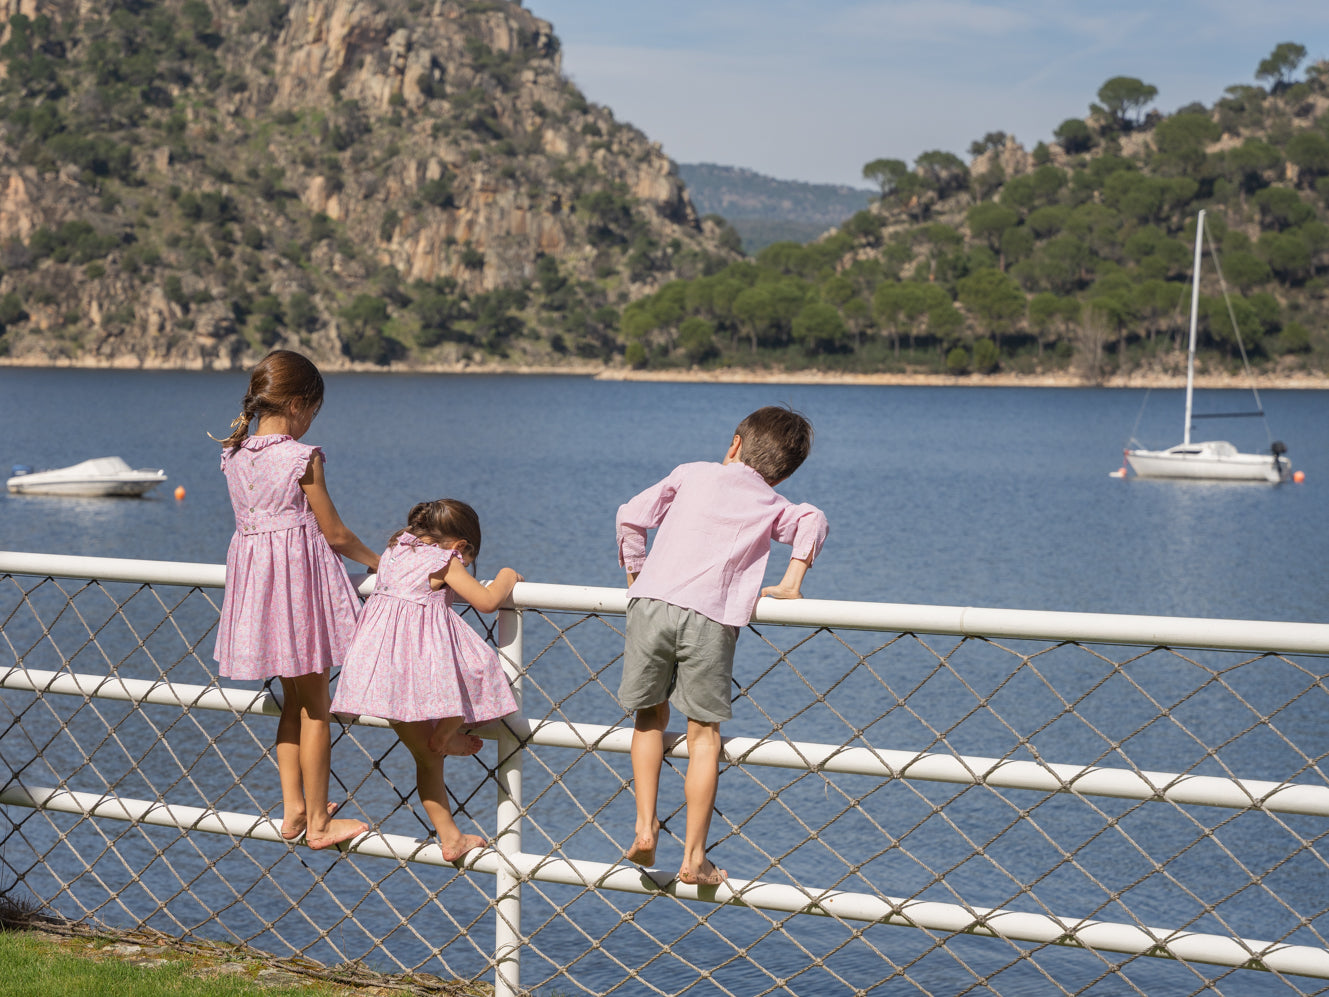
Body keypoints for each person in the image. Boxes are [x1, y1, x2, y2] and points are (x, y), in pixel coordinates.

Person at [616, 405, 829, 886]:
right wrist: (791, 580)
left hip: (651, 604)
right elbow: (813, 519)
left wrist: (637, 575)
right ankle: (694, 856)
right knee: (703, 736)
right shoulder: (772, 506)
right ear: (785, 472)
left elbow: (630, 516)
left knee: (649, 718)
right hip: (711, 617)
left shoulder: (691, 474)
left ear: (735, 443)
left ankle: (645, 827)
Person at [214, 350, 379, 850]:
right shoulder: (299, 457)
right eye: (313, 411)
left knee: (292, 703)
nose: (312, 423)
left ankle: (293, 811)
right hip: (296, 593)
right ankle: (320, 825)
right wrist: (380, 563)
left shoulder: (234, 453)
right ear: (298, 404)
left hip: (260, 591)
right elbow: (334, 533)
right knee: (316, 707)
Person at [332, 499, 521, 862]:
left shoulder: (393, 552)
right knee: (477, 672)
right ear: (460, 546)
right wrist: (507, 576)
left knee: (425, 757)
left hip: (382, 665)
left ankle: (451, 836)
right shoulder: (444, 560)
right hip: (420, 664)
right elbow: (485, 601)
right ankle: (446, 734)